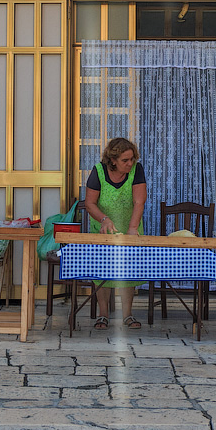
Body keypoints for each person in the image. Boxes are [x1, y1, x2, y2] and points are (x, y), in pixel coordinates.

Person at [84, 137, 147, 331]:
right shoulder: (98, 171)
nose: (130, 164)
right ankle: (103, 315)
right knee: (102, 271)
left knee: (128, 272)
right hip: (103, 229)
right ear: (113, 160)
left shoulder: (137, 170)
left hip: (131, 227)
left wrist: (132, 228)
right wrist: (104, 219)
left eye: (132, 159)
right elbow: (90, 203)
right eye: (125, 161)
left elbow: (139, 202)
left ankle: (127, 315)